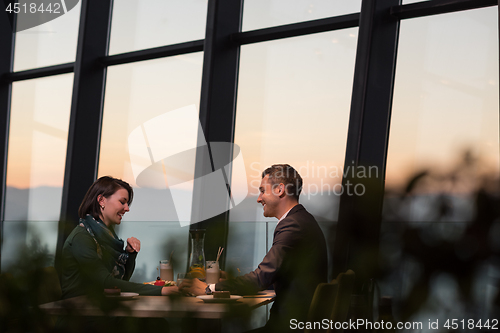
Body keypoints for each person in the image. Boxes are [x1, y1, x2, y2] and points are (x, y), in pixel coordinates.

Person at [187, 164, 328, 332]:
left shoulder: (292, 225)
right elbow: (275, 277)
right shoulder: (302, 220)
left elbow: (261, 278)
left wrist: (209, 289)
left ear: (279, 190)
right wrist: (230, 282)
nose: (259, 198)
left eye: (262, 191)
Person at [59, 176, 179, 299]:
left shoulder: (105, 238)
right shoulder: (82, 237)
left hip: (102, 309)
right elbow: (108, 283)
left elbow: (121, 280)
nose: (127, 208)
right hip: (81, 314)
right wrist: (162, 291)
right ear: (101, 200)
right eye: (122, 202)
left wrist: (130, 254)